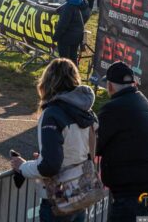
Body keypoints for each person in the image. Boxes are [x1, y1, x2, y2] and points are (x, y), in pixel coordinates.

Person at [10, 58, 96, 222]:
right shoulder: (87, 111)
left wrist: (23, 166)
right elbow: (81, 151)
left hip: (60, 198)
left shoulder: (52, 114)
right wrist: (45, 157)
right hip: (81, 192)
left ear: (48, 81)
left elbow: (50, 166)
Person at [97, 61, 148, 222]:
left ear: (110, 86)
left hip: (133, 192)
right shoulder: (143, 101)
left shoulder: (112, 109)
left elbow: (96, 144)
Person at [52, 0, 90, 64]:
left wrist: (55, 37)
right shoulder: (83, 3)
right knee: (73, 57)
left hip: (66, 37)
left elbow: (62, 24)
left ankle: (65, 72)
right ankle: (74, 71)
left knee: (64, 60)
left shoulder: (68, 6)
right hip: (78, 35)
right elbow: (86, 17)